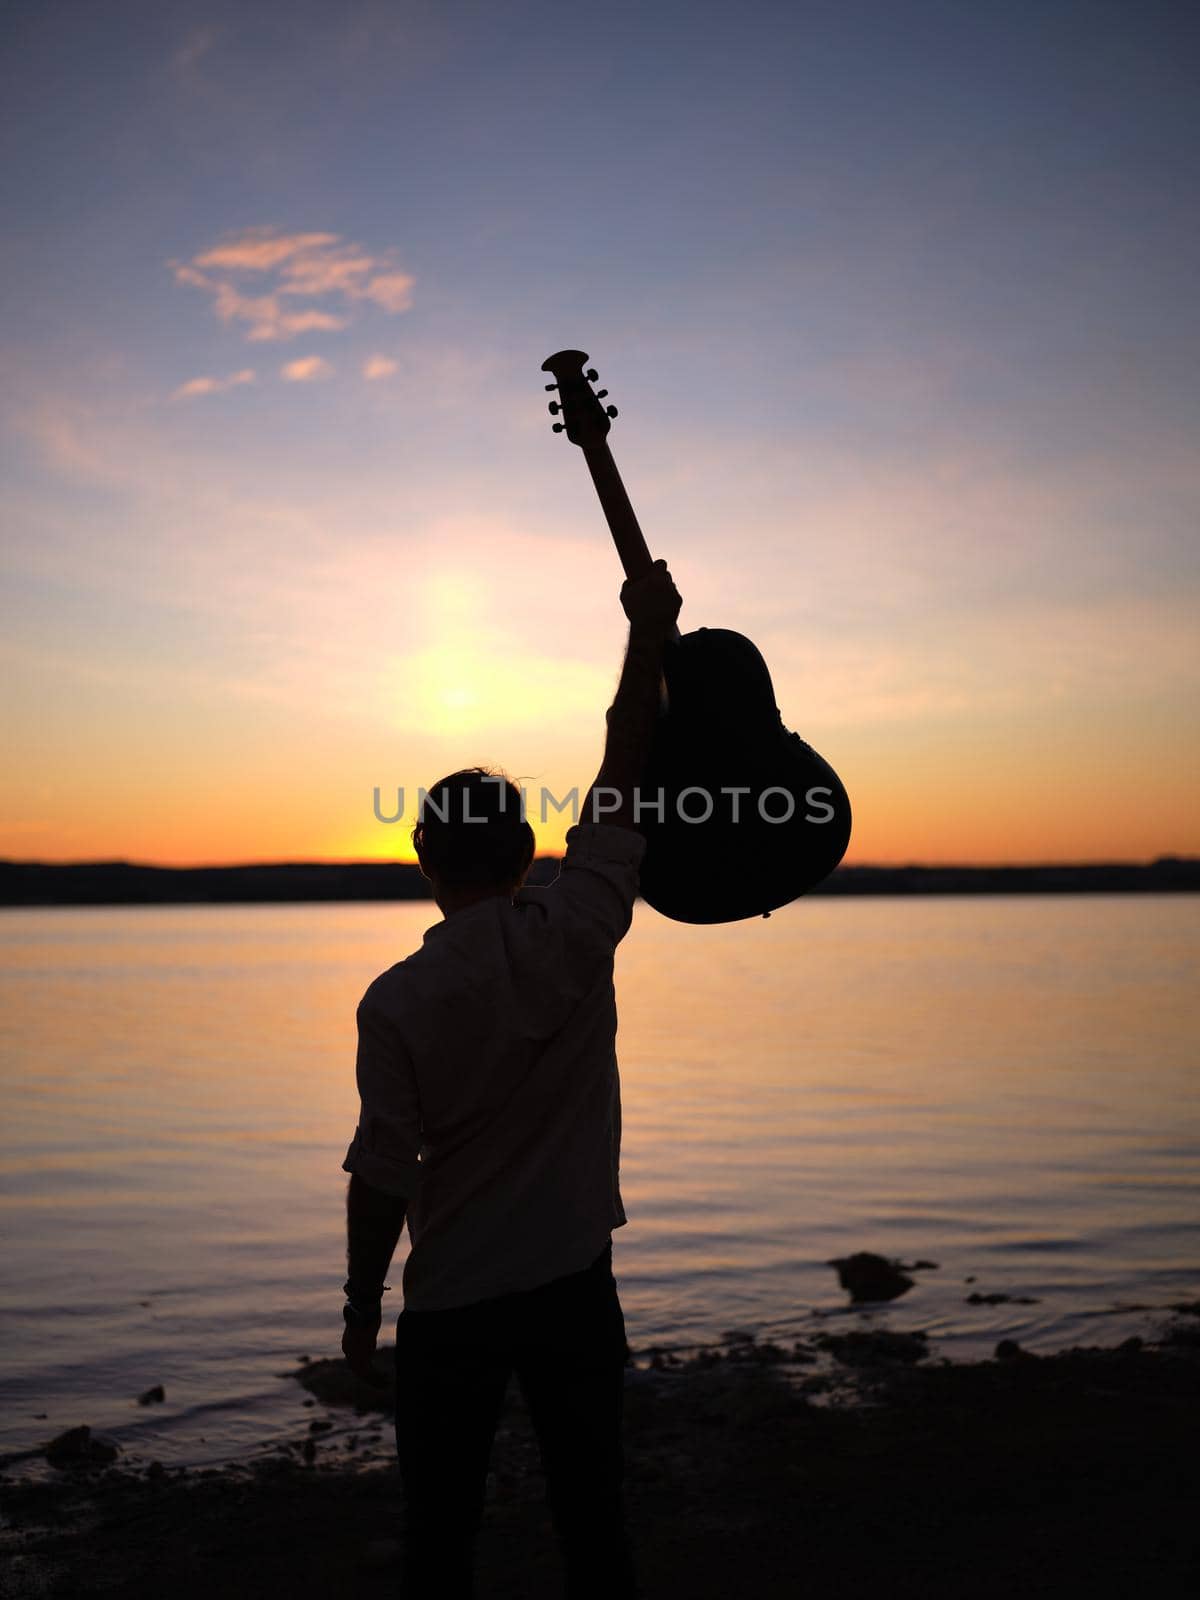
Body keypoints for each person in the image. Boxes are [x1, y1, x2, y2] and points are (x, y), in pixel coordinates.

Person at [340, 560, 682, 1599]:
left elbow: (384, 1174)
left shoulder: (394, 1000)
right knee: (594, 1517)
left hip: (451, 1303)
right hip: (574, 1286)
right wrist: (647, 632)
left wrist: (361, 1309)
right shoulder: (583, 925)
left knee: (440, 1533)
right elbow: (626, 755)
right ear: (532, 850)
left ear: (421, 854)